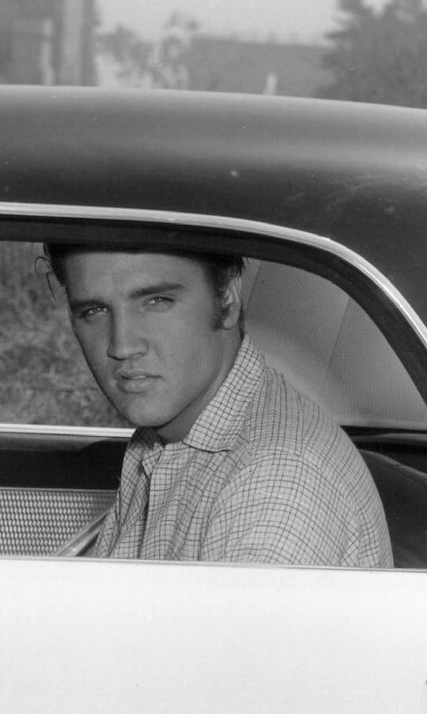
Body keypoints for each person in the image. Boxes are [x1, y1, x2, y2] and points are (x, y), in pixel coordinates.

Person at [45, 243, 392, 568]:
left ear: (227, 296)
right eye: (94, 311)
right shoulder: (165, 437)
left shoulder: (275, 483)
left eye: (157, 301)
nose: (121, 345)